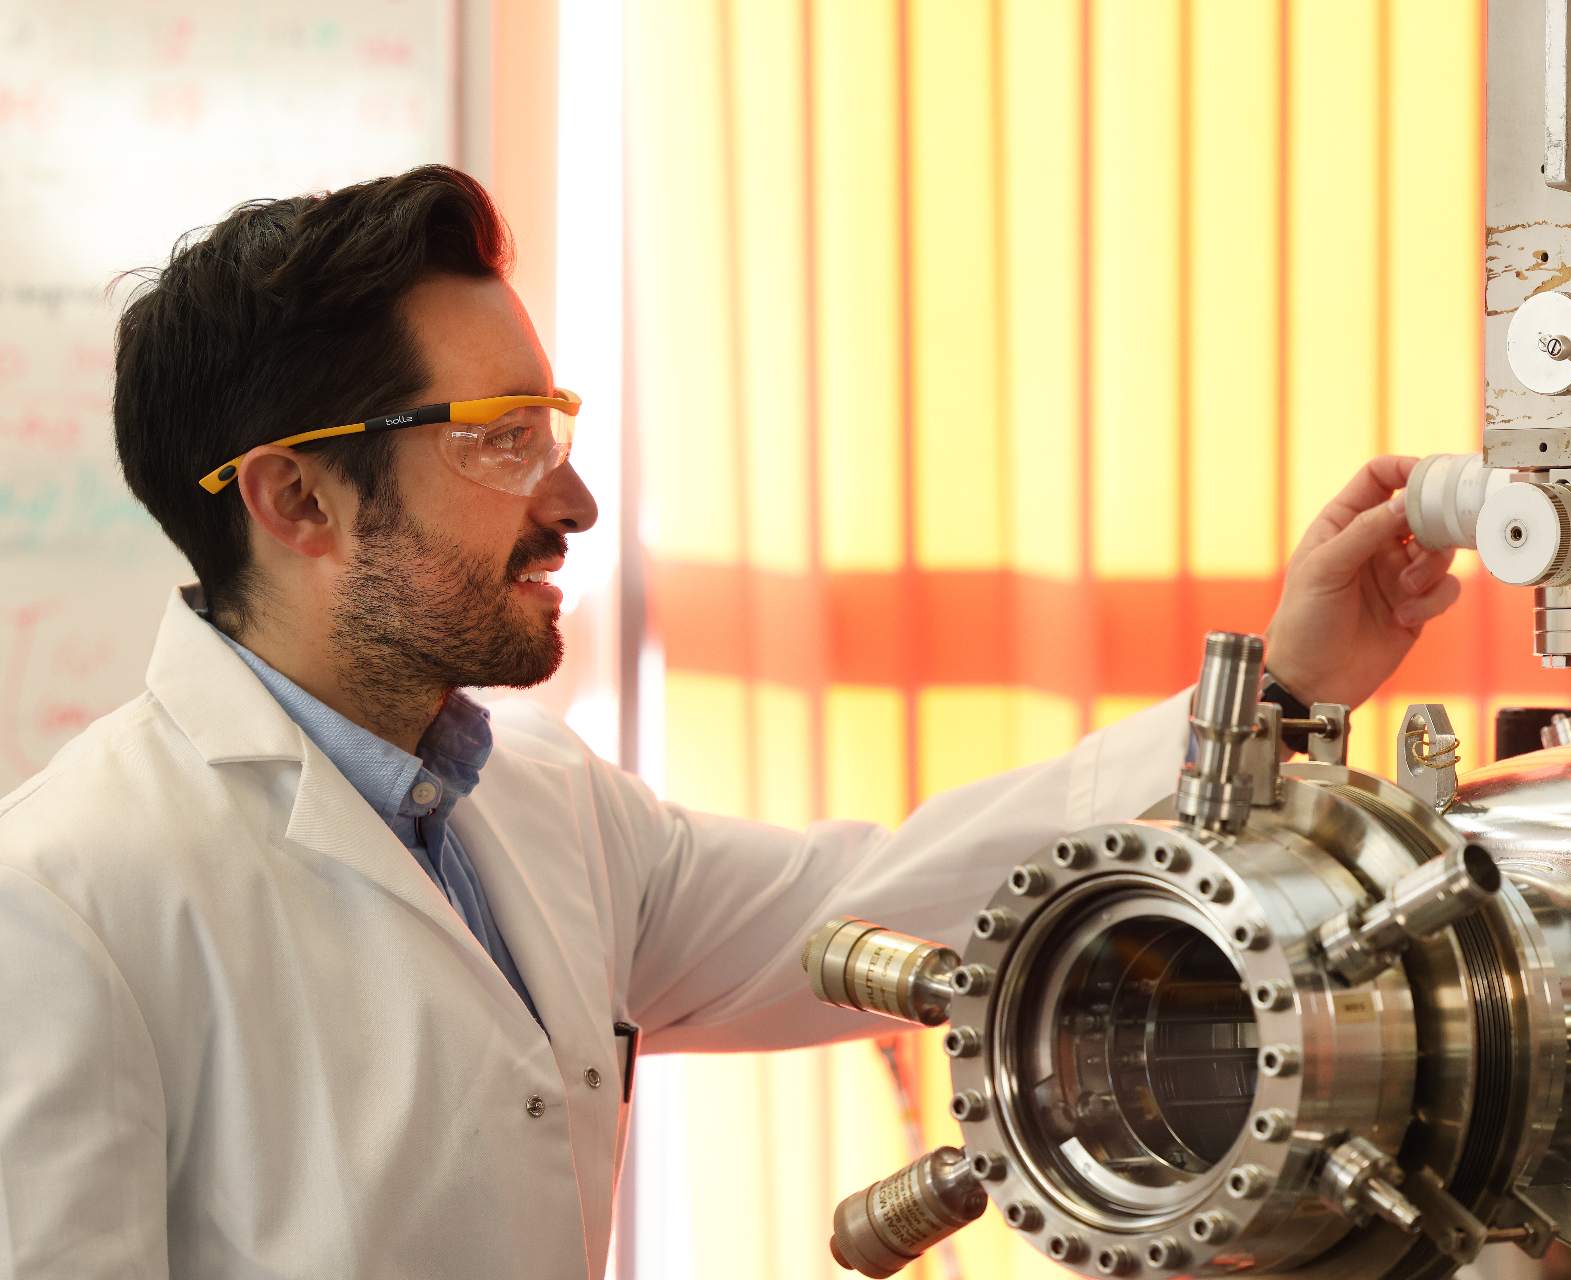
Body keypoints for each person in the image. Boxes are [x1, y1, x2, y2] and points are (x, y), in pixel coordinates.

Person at [0, 166, 1461, 1278]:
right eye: (500, 442)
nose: (569, 500)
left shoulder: (542, 804)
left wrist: (1286, 686)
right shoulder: (64, 900)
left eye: (552, 431)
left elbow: (882, 907)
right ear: (296, 500)